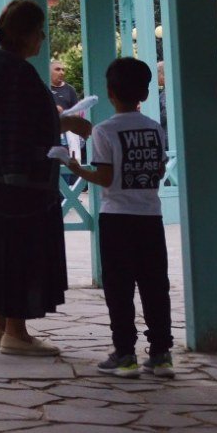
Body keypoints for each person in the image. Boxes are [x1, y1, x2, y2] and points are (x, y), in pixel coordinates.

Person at [0, 0, 90, 356]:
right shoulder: (17, 72)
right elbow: (31, 125)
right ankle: (17, 332)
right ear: (26, 34)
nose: (43, 38)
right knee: (19, 252)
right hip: (19, 187)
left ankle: (1, 328)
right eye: (39, 31)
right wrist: (70, 122)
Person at [64, 57, 175, 379]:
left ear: (110, 92)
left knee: (119, 287)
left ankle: (125, 353)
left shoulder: (104, 130)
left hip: (116, 218)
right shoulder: (154, 128)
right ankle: (161, 354)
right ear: (145, 92)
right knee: (155, 285)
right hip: (150, 216)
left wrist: (77, 170)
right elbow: (155, 171)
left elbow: (106, 178)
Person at [50, 62, 84, 175]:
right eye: (57, 69)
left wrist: (63, 112)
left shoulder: (70, 90)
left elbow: (77, 114)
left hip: (68, 135)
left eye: (63, 70)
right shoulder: (45, 88)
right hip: (51, 132)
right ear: (49, 71)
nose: (61, 72)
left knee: (69, 162)